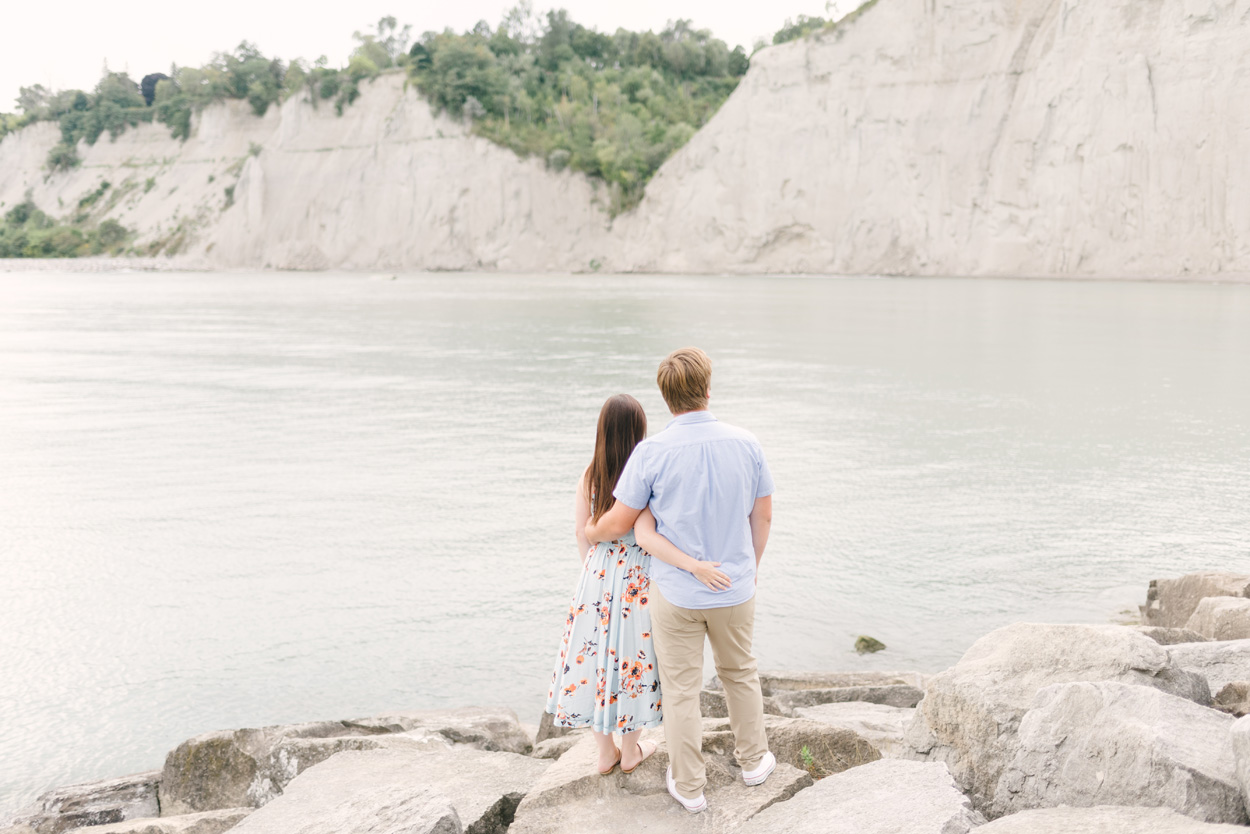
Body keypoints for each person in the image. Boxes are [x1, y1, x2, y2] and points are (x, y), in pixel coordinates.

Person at [585, 348, 775, 814]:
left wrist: (590, 532)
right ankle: (753, 762)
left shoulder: (651, 453)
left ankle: (689, 786)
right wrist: (749, 570)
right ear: (708, 389)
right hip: (733, 585)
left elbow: (620, 522)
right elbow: (763, 516)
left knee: (682, 690)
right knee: (740, 674)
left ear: (666, 400)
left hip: (674, 592)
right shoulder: (747, 443)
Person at [545, 393, 732, 776]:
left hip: (596, 575)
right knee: (632, 658)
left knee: (593, 657)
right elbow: (648, 533)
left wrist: (592, 574)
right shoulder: (644, 470)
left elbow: (582, 531)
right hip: (637, 576)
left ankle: (604, 752)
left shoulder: (589, 473)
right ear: (639, 430)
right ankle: (629, 750)